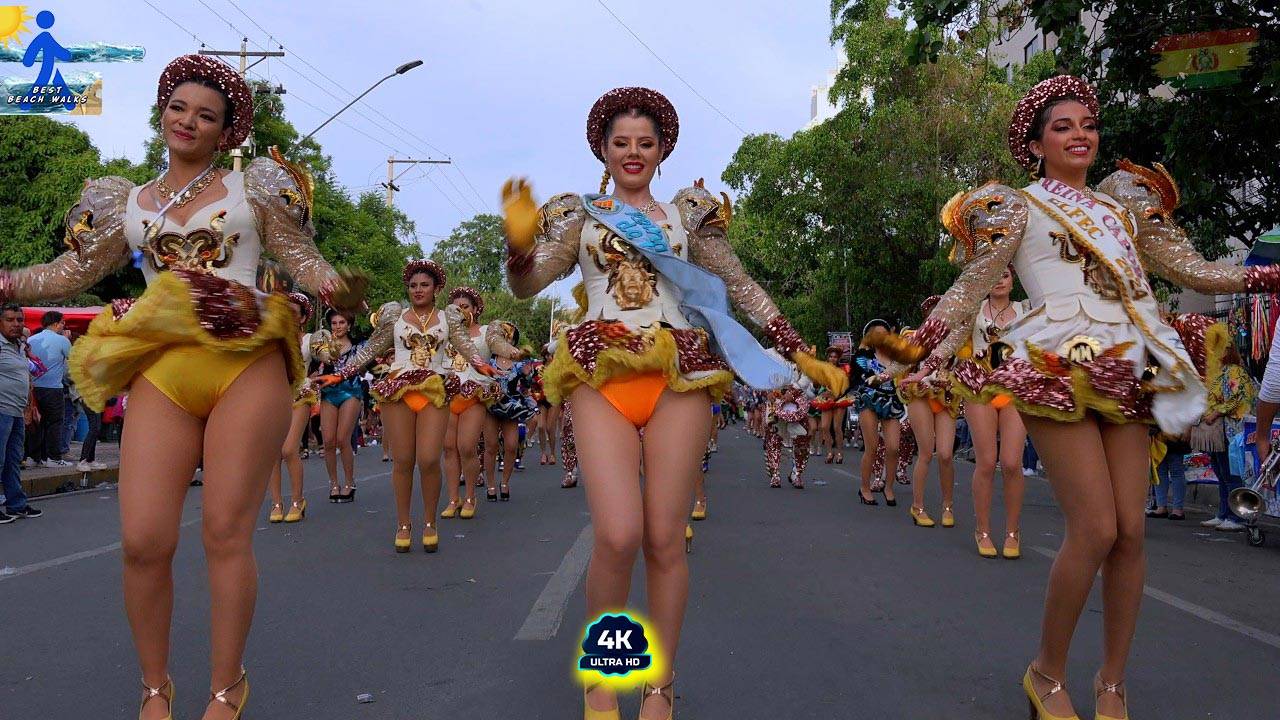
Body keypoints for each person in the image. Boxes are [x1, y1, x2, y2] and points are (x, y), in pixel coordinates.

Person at [882, 75, 1280, 720]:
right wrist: (917, 345)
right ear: (1036, 143)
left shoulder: (1122, 206)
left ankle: (1112, 683)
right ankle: (1046, 672)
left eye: (1088, 125)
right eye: (1062, 127)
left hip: (1125, 361)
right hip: (1054, 362)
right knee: (1095, 528)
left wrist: (1266, 275)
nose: (1080, 136)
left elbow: (1196, 271)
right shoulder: (1017, 207)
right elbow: (970, 287)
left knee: (1130, 534)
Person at [0, 54, 363, 720]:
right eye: (178, 108)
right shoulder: (127, 201)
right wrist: (8, 282)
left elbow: (303, 259)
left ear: (226, 131)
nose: (188, 122)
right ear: (161, 112)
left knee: (224, 531)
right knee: (144, 541)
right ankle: (154, 686)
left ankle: (226, 687)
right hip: (163, 369)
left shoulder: (253, 188)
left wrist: (335, 288)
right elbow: (71, 272)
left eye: (206, 115)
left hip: (245, 363)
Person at [501, 87, 845, 719]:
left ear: (662, 151)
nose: (633, 152)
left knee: (664, 539)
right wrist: (519, 247)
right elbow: (527, 286)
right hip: (599, 365)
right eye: (621, 142)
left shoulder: (687, 216)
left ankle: (658, 685)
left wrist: (796, 351)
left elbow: (738, 285)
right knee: (617, 535)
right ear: (604, 150)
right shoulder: (580, 216)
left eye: (645, 142)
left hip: (679, 369)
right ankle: (604, 677)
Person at [317, 260, 481, 553]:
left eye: (424, 285)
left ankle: (429, 522)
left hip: (434, 388)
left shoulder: (448, 317)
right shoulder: (394, 316)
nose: (418, 290)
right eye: (413, 285)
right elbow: (370, 349)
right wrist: (342, 373)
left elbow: (466, 346)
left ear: (436, 289)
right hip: (398, 389)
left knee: (428, 459)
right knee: (403, 460)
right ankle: (403, 524)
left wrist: (483, 364)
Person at [955, 266, 1029, 558]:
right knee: (986, 462)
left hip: (1014, 389)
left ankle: (1013, 531)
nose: (999, 281)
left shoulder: (1027, 309)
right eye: (994, 275)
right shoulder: (973, 310)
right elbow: (953, 341)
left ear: (1013, 281)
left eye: (1005, 275)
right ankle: (982, 530)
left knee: (1011, 462)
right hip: (980, 389)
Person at [439, 287, 505, 518]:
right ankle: (452, 499)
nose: (460, 312)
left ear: (476, 309)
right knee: (449, 448)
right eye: (456, 308)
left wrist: (513, 353)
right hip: (448, 393)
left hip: (475, 393)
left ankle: (470, 497)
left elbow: (500, 346)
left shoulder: (486, 332)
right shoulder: (445, 333)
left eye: (465, 307)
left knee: (467, 446)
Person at [897, 298, 960, 528]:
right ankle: (918, 506)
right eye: (934, 313)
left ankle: (947, 506)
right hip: (920, 395)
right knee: (925, 452)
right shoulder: (914, 339)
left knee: (945, 454)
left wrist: (951, 381)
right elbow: (901, 367)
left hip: (945, 397)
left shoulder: (957, 340)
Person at [266, 293, 317, 524]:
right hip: (276, 396)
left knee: (288, 449)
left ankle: (297, 500)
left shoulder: (310, 339)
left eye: (293, 313)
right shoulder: (273, 339)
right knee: (273, 453)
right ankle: (276, 503)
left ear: (303, 317)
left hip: (301, 393)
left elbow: (328, 356)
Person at [1195, 343, 1256, 531]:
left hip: (1230, 430)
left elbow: (1236, 398)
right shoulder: (1219, 372)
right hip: (1218, 430)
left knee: (1230, 474)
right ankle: (1223, 513)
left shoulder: (1234, 371)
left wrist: (1216, 412)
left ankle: (1236, 517)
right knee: (1221, 474)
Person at [312, 309, 365, 503]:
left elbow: (365, 368)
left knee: (343, 438)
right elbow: (314, 370)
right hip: (329, 394)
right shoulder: (323, 347)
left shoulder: (359, 346)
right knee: (328, 440)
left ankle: (350, 483)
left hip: (351, 392)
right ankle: (334, 484)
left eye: (342, 322)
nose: (338, 326)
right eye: (334, 323)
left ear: (349, 325)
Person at [854, 320, 904, 506]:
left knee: (893, 447)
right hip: (869, 400)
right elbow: (861, 376)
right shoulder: (863, 356)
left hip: (891, 401)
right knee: (872, 446)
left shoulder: (897, 358)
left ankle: (888, 487)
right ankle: (864, 488)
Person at [1, 303, 43, 523]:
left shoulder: (19, 346)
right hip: (2, 410)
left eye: (19, 320)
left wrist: (28, 406)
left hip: (16, 411)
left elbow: (31, 374)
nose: (16, 324)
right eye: (9, 320)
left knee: (13, 459)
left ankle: (16, 504)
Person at [486, 322, 537, 501]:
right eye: (503, 337)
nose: (507, 340)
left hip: (512, 407)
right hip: (491, 405)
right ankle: (491, 484)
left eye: (510, 337)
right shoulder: (488, 359)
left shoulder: (519, 362)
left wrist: (528, 374)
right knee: (491, 446)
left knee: (511, 446)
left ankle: (505, 482)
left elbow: (528, 384)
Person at [25, 310, 71, 467]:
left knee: (36, 422)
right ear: (56, 324)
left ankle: (33, 457)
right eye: (63, 323)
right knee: (55, 422)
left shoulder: (31, 339)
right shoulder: (62, 340)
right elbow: (74, 359)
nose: (64, 326)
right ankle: (53, 458)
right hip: (53, 388)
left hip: (34, 388)